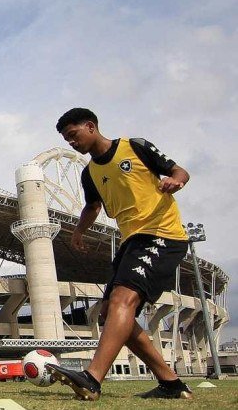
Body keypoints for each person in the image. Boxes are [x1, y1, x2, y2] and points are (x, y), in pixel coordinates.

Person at [47, 108, 193, 401]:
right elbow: (92, 207)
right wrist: (78, 232)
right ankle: (172, 384)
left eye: (73, 136)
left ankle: (92, 378)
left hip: (162, 234)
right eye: (67, 140)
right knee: (109, 314)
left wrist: (176, 181)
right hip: (131, 242)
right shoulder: (90, 173)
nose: (72, 144)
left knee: (122, 300)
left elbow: (179, 170)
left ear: (90, 126)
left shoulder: (135, 146)